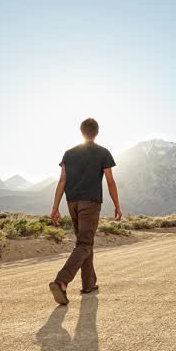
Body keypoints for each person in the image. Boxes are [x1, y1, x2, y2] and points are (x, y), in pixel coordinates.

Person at [49, 118, 122, 305]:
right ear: (96, 132)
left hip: (72, 202)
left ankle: (89, 284)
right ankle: (62, 281)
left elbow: (62, 181)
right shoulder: (103, 153)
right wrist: (117, 205)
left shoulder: (69, 154)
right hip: (90, 203)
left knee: (84, 243)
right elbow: (110, 181)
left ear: (81, 131)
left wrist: (55, 207)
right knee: (84, 243)